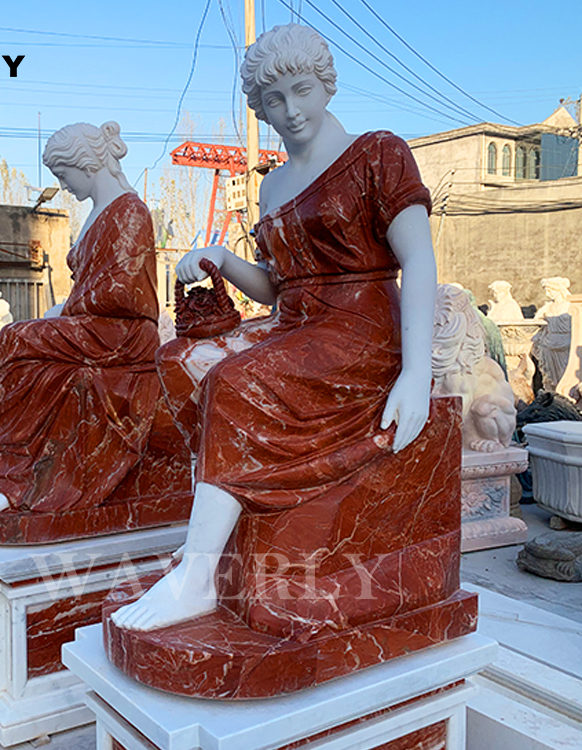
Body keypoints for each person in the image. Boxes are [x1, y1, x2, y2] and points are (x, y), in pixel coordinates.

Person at [112, 23, 443, 633]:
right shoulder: (272, 186)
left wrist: (417, 372)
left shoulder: (377, 152)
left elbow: (418, 260)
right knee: (182, 362)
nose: (289, 112)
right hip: (297, 326)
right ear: (258, 109)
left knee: (235, 383)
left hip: (361, 329)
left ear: (326, 85)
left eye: (301, 91)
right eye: (272, 102)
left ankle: (198, 577)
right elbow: (279, 285)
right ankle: (208, 540)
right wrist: (222, 259)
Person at [0, 121, 162, 519]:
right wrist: (67, 309)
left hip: (122, 333)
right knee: (22, 347)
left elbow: (123, 292)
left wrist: (66, 309)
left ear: (85, 163)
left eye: (63, 174)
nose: (64, 184)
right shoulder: (99, 212)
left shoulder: (130, 211)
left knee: (16, 338)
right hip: (95, 324)